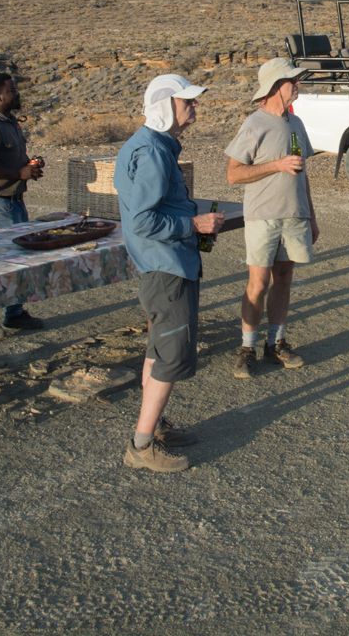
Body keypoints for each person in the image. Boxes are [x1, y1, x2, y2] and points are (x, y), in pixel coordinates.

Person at [114, 74, 225, 472]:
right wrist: (194, 226)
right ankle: (141, 445)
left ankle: (154, 425)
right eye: (187, 103)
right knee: (170, 353)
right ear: (165, 106)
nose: (194, 110)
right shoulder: (154, 153)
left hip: (163, 265)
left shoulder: (148, 146)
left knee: (158, 348)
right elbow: (143, 221)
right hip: (167, 267)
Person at [225, 57, 319, 378]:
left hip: (295, 216)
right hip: (262, 217)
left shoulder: (297, 124)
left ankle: (275, 343)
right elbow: (233, 175)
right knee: (258, 283)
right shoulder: (254, 124)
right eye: (293, 81)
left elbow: (302, 174)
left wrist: (312, 216)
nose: (298, 85)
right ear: (277, 86)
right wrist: (275, 165)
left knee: (285, 279)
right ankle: (247, 348)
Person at [0, 72, 45, 339]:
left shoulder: (9, 123)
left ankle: (14, 313)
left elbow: (10, 161)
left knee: (16, 259)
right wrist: (20, 174)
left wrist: (29, 165)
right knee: (0, 261)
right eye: (12, 90)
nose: (17, 94)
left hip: (12, 201)